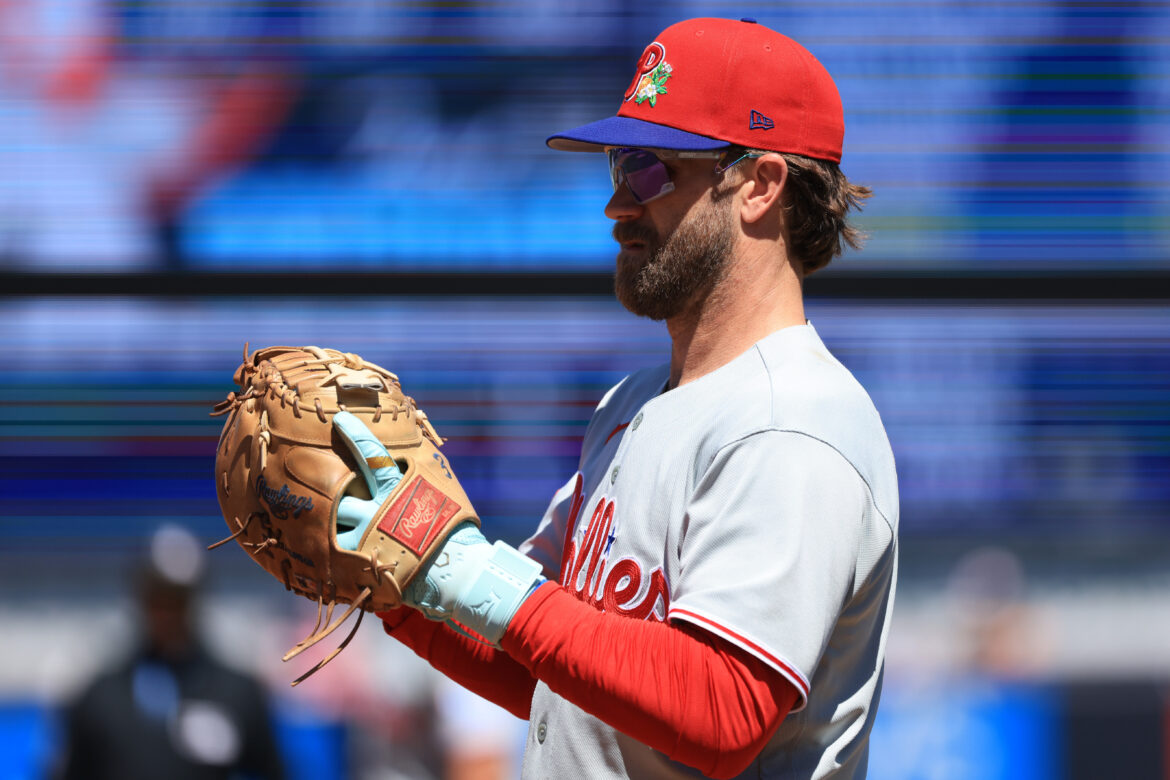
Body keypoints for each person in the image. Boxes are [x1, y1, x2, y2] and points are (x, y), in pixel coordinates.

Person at [337, 16, 898, 779]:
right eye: (617, 167)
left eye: (650, 169)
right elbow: (549, 671)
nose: (618, 205)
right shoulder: (632, 403)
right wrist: (399, 581)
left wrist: (472, 577)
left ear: (760, 186)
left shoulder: (791, 423)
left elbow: (722, 709)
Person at [57, 524, 285, 780]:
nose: (166, 613)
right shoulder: (100, 699)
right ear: (141, 599)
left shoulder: (237, 694)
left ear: (195, 600)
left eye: (177, 599)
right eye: (158, 598)